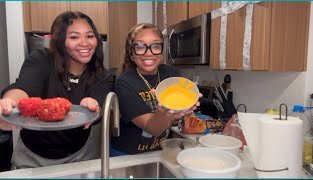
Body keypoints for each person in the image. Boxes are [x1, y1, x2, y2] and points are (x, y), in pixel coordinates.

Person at [0, 11, 114, 169]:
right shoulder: (41, 60)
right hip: (32, 158)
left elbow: (99, 106)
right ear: (60, 41)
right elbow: (23, 89)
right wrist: (10, 102)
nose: (85, 43)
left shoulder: (102, 75)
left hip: (80, 156)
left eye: (90, 36)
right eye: (74, 37)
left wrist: (94, 106)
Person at [110, 23, 200, 156]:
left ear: (162, 52)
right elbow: (152, 128)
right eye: (140, 47)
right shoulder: (124, 83)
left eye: (156, 46)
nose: (149, 53)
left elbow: (178, 117)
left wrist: (184, 108)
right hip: (126, 154)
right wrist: (166, 112)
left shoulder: (170, 73)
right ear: (132, 54)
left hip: (158, 151)